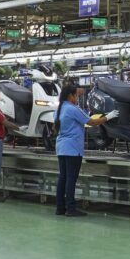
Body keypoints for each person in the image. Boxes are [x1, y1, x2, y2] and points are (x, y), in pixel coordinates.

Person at [54, 84, 118, 217]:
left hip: (61, 147)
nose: (77, 98)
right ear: (71, 96)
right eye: (76, 96)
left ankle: (60, 208)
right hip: (72, 149)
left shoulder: (58, 109)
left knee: (63, 178)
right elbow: (92, 122)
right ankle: (71, 209)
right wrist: (108, 117)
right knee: (71, 179)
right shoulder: (73, 109)